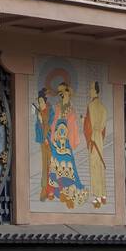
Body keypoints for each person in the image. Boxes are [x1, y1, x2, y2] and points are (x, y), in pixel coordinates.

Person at [47, 80, 87, 208]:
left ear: (68, 92)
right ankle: (55, 191)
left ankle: (67, 191)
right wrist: (52, 136)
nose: (61, 94)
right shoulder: (58, 106)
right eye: (59, 93)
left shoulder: (71, 109)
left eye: (62, 92)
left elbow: (72, 126)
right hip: (57, 140)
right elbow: (54, 122)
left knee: (67, 165)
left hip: (66, 140)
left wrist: (69, 138)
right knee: (55, 166)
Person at [83, 80, 108, 208]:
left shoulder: (91, 106)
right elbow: (104, 130)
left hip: (93, 137)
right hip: (99, 139)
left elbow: (87, 125)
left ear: (95, 90)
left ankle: (97, 197)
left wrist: (89, 139)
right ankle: (103, 195)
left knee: (94, 168)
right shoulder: (103, 108)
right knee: (100, 166)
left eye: (91, 89)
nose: (90, 91)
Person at [34, 88, 53, 200]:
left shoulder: (50, 112)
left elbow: (51, 126)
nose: (40, 104)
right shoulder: (39, 113)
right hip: (43, 143)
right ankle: (44, 189)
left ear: (45, 102)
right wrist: (39, 121)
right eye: (39, 102)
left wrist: (47, 137)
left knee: (51, 165)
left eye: (41, 102)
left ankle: (51, 189)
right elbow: (38, 129)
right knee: (45, 166)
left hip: (50, 141)